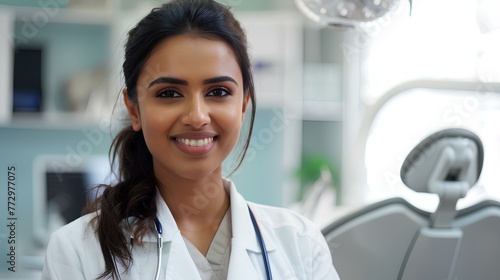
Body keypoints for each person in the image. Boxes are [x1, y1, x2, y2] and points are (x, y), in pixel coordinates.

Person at [41, 0, 340, 279]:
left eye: (218, 92)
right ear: (134, 109)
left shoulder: (301, 245)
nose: (197, 116)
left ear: (244, 104)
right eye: (169, 93)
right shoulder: (76, 252)